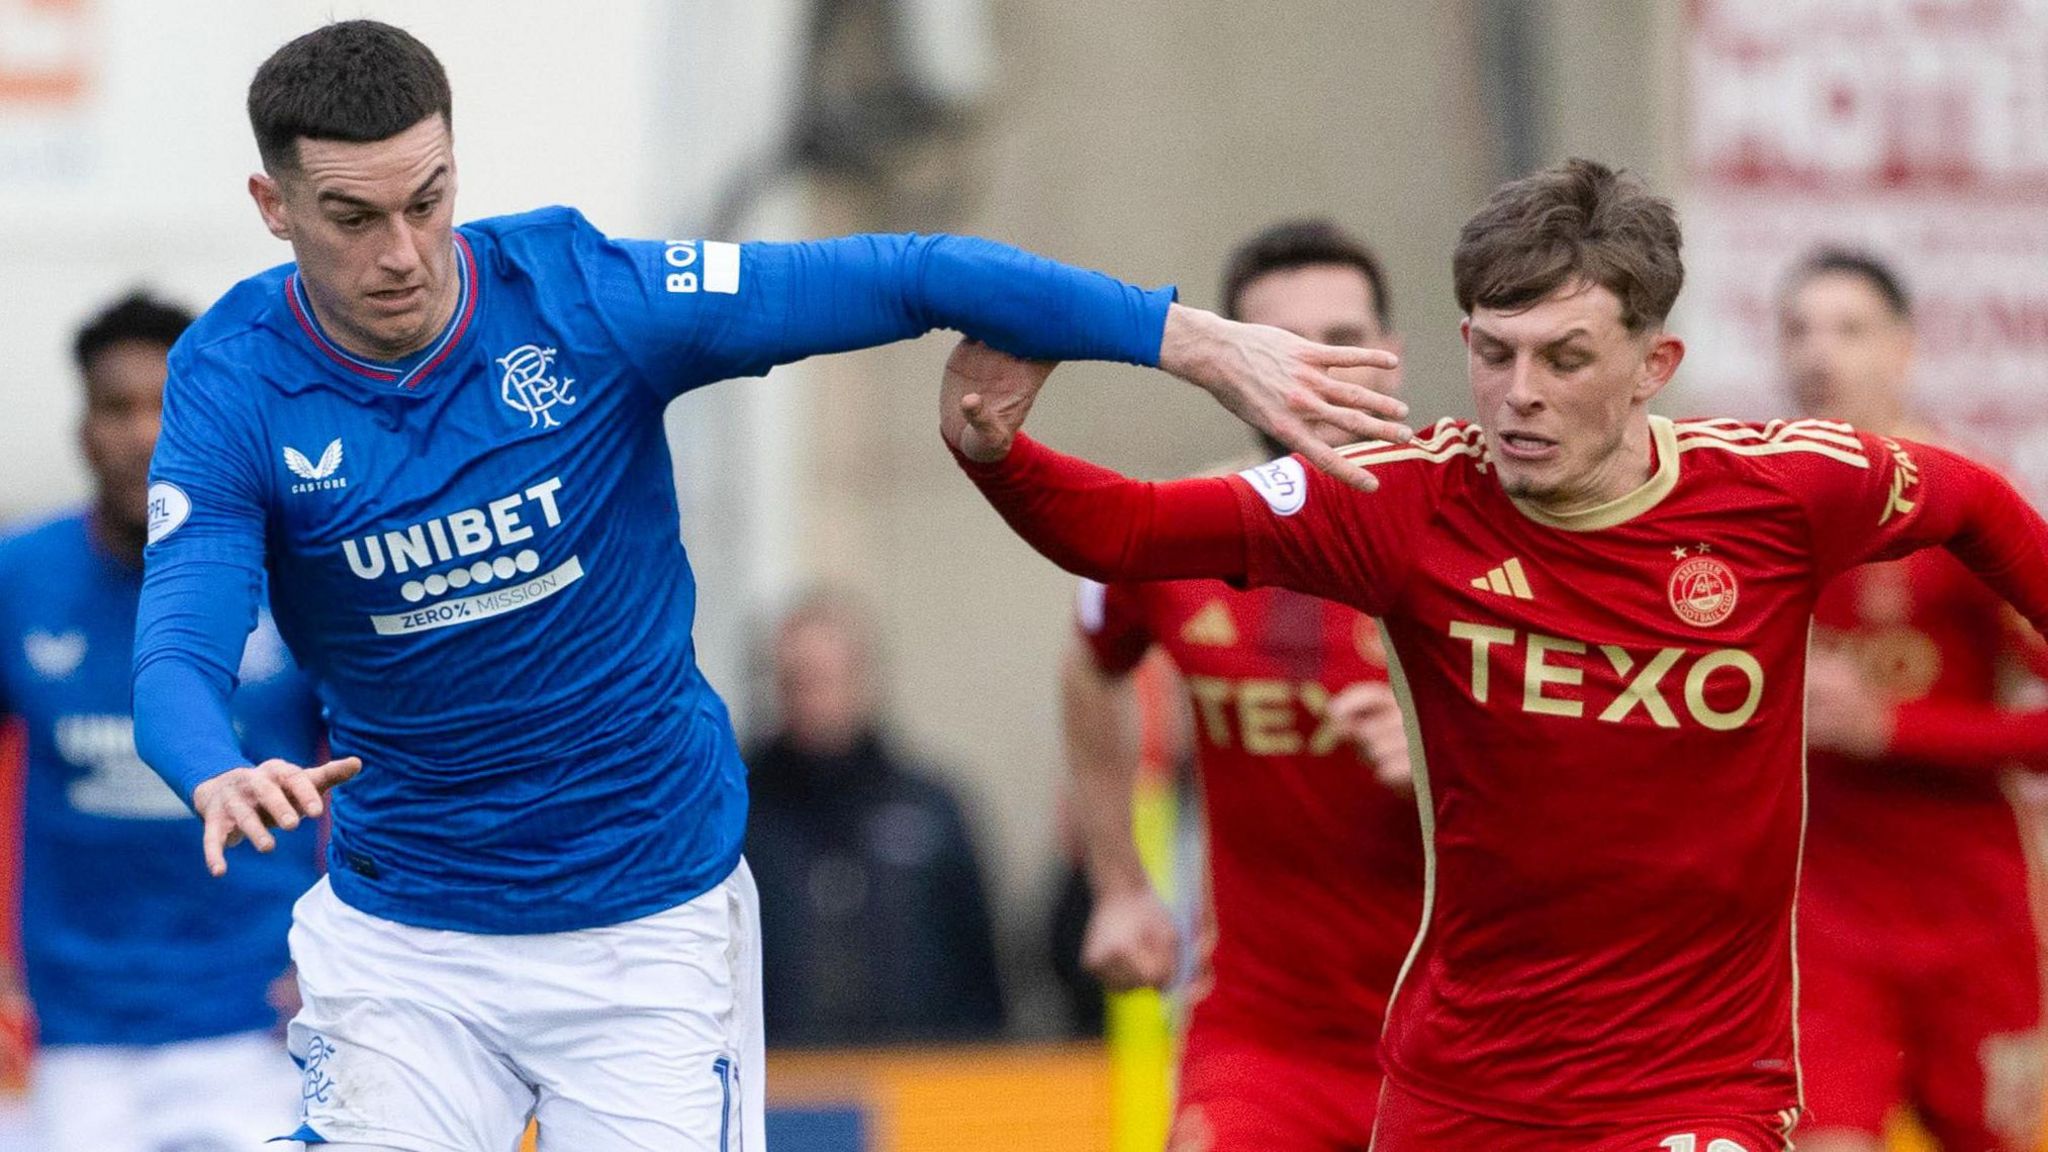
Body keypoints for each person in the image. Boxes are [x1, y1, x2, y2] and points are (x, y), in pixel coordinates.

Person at [128, 20, 1404, 1152]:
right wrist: (211, 766)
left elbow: (912, 272)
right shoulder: (232, 378)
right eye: (354, 218)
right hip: (408, 939)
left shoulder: (586, 299)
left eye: (430, 198)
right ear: (272, 204)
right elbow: (179, 647)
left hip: (646, 925)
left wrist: (1198, 343)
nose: (403, 251)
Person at [941, 157, 2048, 1151]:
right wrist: (998, 452)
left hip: (1697, 1088)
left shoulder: (1779, 491)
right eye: (1495, 352)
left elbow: (1973, 503)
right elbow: (1124, 532)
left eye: (1564, 358)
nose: (1518, 396)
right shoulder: (1397, 499)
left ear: (1650, 363)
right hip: (1465, 1089)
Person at [1062, 219, 1422, 1151]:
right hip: (1266, 1043)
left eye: (1342, 341)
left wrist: (1446, 755)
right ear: (1233, 366)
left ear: (1391, 353)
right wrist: (1117, 883)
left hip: (1472, 1044)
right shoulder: (1178, 536)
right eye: (1282, 346)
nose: (1319, 368)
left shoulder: (1490, 534)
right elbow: (1089, 660)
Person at [0, 292, 323, 1151]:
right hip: (72, 1037)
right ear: (84, 431)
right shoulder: (19, 577)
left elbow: (380, 766)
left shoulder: (286, 580)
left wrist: (344, 953)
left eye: (167, 406)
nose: (144, 434)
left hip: (260, 1022)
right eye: (118, 407)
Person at [1778, 249, 2048, 1152]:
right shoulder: (1749, 521)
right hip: (1824, 926)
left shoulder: (1972, 511)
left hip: (1974, 919)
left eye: (1849, 329)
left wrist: (1894, 729)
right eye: (1799, 329)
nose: (1821, 354)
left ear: (1902, 351)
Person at [744, 591, 1006, 1046]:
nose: (810, 700)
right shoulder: (738, 814)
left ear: (862, 679)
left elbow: (980, 969)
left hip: (919, 1084)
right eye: (794, 681)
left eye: (823, 680)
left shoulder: (930, 809)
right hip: (776, 1083)